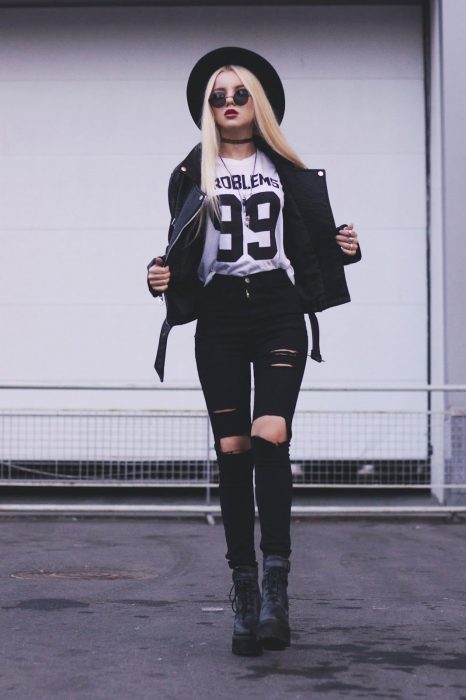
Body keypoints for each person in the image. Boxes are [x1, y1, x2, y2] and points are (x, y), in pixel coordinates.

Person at [147, 47, 361, 656]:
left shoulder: (287, 169)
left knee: (271, 435)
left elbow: (321, 241)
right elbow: (177, 252)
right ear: (207, 110)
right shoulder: (191, 173)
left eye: (240, 94)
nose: (230, 104)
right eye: (219, 97)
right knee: (232, 446)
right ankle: (242, 590)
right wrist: (155, 276)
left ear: (257, 103)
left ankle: (276, 588)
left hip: (276, 308)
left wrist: (349, 247)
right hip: (218, 314)